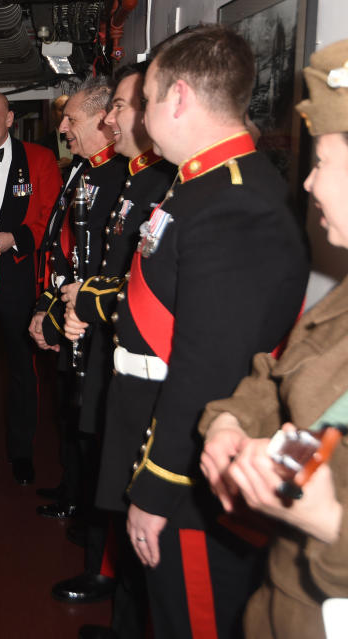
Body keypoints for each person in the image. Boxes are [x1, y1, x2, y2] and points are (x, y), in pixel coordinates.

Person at [105, 26, 308, 638]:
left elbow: (209, 369)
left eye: (146, 101)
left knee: (194, 622)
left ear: (181, 98)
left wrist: (157, 491)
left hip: (192, 476)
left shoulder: (234, 206)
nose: (138, 115)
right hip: (163, 436)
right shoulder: (202, 184)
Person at [198, 38, 348, 639]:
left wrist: (332, 523)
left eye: (324, 162)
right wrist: (230, 422)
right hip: (283, 604)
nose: (309, 184)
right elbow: (285, 376)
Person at [59, 62, 177, 638]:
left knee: (123, 476)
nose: (110, 119)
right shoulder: (138, 177)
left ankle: (111, 587)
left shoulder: (161, 183)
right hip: (111, 342)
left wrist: (87, 303)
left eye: (120, 108)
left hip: (137, 358)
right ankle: (118, 601)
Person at [29, 76, 126, 534]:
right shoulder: (81, 169)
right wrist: (45, 306)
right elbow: (60, 246)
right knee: (70, 408)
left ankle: (89, 510)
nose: (63, 127)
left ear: (107, 121)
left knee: (91, 418)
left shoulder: (120, 177)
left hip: (93, 321)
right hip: (67, 309)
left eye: (73, 118)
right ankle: (73, 491)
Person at [0, 89, 61, 479]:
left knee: (23, 369)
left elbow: (50, 219)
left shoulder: (40, 160)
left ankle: (22, 452)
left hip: (20, 277)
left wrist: (15, 239)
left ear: (9, 119)